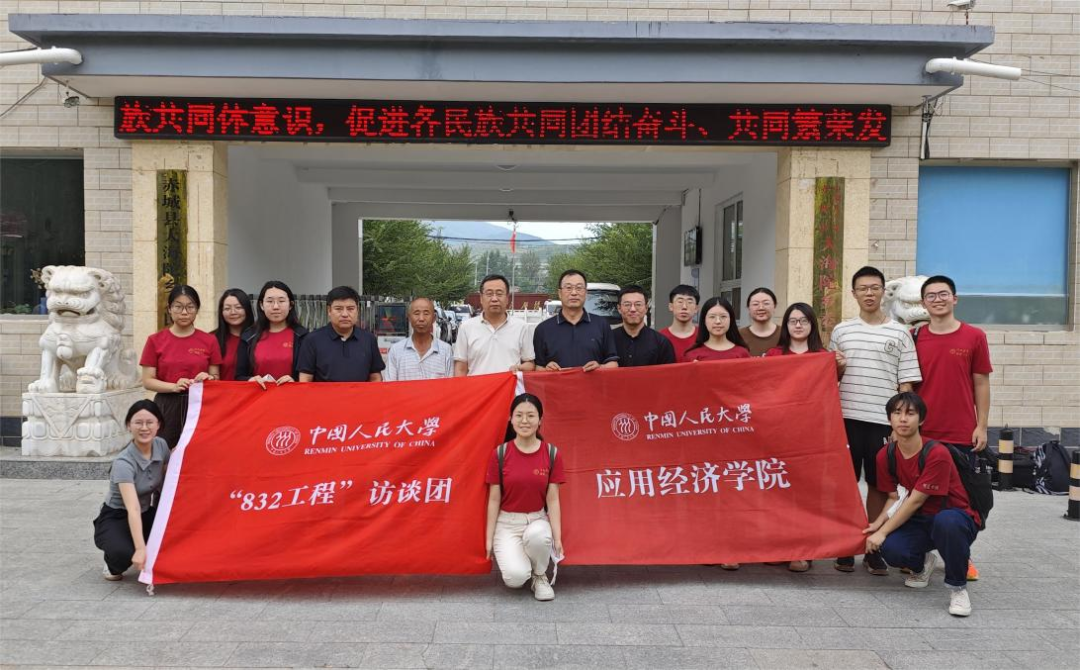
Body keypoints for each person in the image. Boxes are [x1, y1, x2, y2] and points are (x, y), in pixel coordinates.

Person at [828, 266, 922, 576]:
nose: (869, 293)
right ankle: (845, 546)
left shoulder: (900, 333)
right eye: (863, 288)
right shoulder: (841, 331)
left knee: (879, 486)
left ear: (883, 291)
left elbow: (906, 384)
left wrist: (900, 426)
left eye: (874, 288)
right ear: (853, 293)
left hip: (882, 423)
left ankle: (872, 547)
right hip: (846, 419)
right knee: (845, 485)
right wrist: (838, 367)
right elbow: (828, 378)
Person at [864, 392, 978, 617]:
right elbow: (894, 498)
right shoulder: (885, 455)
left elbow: (916, 499)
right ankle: (922, 563)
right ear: (889, 419)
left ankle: (958, 589)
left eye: (910, 413)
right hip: (920, 520)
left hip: (954, 517)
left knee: (947, 522)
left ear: (921, 419)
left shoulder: (936, 453)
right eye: (897, 413)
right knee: (891, 549)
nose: (903, 419)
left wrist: (882, 531)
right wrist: (877, 524)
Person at [913, 275, 992, 582]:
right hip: (921, 434)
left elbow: (981, 382)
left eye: (943, 294)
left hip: (960, 432)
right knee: (921, 497)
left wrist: (981, 425)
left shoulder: (974, 336)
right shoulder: (914, 337)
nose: (937, 299)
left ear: (955, 299)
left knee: (962, 501)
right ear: (923, 303)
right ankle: (923, 553)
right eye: (931, 296)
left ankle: (961, 555)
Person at [485, 393, 565, 601]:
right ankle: (525, 564)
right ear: (511, 419)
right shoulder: (500, 453)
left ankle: (539, 575)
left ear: (540, 420)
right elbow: (494, 499)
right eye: (519, 415)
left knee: (539, 536)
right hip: (507, 523)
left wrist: (557, 538)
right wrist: (488, 538)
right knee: (515, 578)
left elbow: (553, 499)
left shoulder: (551, 453)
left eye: (531, 415)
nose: (524, 421)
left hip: (537, 519)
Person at [94, 400, 170, 581]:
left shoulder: (161, 445)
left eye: (149, 422)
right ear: (129, 425)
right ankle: (111, 562)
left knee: (176, 534)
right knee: (123, 553)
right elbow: (133, 508)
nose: (144, 428)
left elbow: (170, 475)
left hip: (145, 513)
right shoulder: (123, 462)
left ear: (158, 424)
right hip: (117, 515)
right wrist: (140, 549)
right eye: (138, 422)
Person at [139, 285, 221, 449]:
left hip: (199, 404)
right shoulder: (155, 340)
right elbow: (147, 381)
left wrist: (209, 378)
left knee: (199, 451)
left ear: (197, 310)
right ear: (169, 309)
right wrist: (174, 386)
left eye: (190, 307)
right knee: (164, 451)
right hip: (167, 404)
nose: (184, 312)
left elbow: (216, 376)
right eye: (178, 307)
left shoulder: (209, 340)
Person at [532, 270, 618, 371]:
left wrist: (600, 367)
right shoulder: (543, 329)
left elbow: (613, 363)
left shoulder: (601, 325)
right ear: (560, 293)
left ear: (585, 293)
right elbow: (537, 367)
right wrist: (547, 370)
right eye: (568, 288)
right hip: (558, 382)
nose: (574, 293)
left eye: (579, 288)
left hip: (593, 382)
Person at [297, 285, 383, 383]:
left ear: (357, 310)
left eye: (350, 309)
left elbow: (375, 377)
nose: (345, 314)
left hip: (360, 393)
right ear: (329, 310)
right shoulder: (312, 340)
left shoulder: (369, 339)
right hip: (325, 393)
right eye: (338, 309)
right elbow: (305, 379)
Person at [454, 274, 536, 376]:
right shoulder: (466, 327)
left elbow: (530, 364)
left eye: (499, 294)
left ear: (507, 298)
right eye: (489, 294)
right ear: (481, 298)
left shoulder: (522, 327)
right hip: (478, 386)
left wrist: (519, 368)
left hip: (510, 386)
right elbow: (460, 368)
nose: (494, 299)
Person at [236, 281, 308, 388]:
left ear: (291, 305)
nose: (275, 306)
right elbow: (238, 377)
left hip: (292, 395)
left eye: (281, 301)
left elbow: (310, 376)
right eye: (270, 301)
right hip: (258, 396)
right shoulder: (248, 336)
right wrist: (250, 380)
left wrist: (295, 381)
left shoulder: (303, 336)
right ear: (261, 305)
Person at [765, 302, 847, 377]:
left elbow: (829, 383)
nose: (798, 325)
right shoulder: (773, 354)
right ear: (786, 325)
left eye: (804, 321)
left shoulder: (822, 355)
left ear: (812, 324)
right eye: (793, 321)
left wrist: (841, 366)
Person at [385, 297, 453, 381]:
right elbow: (389, 386)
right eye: (416, 313)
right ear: (409, 317)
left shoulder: (446, 351)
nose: (421, 318)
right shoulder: (396, 350)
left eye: (426, 313)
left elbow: (451, 386)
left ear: (434, 318)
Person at [613, 285, 676, 367]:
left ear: (646, 308)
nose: (633, 309)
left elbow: (669, 373)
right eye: (627, 304)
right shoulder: (608, 340)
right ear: (619, 308)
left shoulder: (661, 343)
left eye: (638, 304)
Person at [682, 297, 752, 362]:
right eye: (712, 317)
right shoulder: (692, 355)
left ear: (731, 320)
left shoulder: (742, 353)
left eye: (723, 316)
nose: (718, 321)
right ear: (704, 320)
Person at [213, 288, 254, 381]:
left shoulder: (258, 337)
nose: (233, 312)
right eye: (227, 308)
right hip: (222, 390)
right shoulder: (212, 339)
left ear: (247, 309)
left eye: (238, 307)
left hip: (253, 390)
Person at [660, 284, 699, 361]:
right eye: (680, 301)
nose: (684, 307)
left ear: (696, 308)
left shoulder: (705, 336)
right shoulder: (660, 338)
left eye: (689, 302)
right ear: (671, 306)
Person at [739, 288, 781, 357]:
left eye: (766, 303)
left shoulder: (785, 333)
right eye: (755, 304)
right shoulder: (738, 336)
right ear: (748, 308)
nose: (761, 308)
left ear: (775, 306)